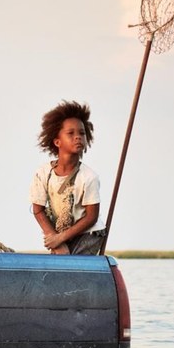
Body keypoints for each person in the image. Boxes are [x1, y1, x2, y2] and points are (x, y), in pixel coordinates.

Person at [30, 100, 105, 255]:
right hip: (60, 233)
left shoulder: (88, 177)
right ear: (57, 141)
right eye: (71, 133)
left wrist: (61, 238)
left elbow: (92, 217)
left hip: (88, 233)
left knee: (71, 264)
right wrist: (54, 239)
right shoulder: (43, 173)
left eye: (82, 133)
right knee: (58, 261)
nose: (78, 137)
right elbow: (38, 210)